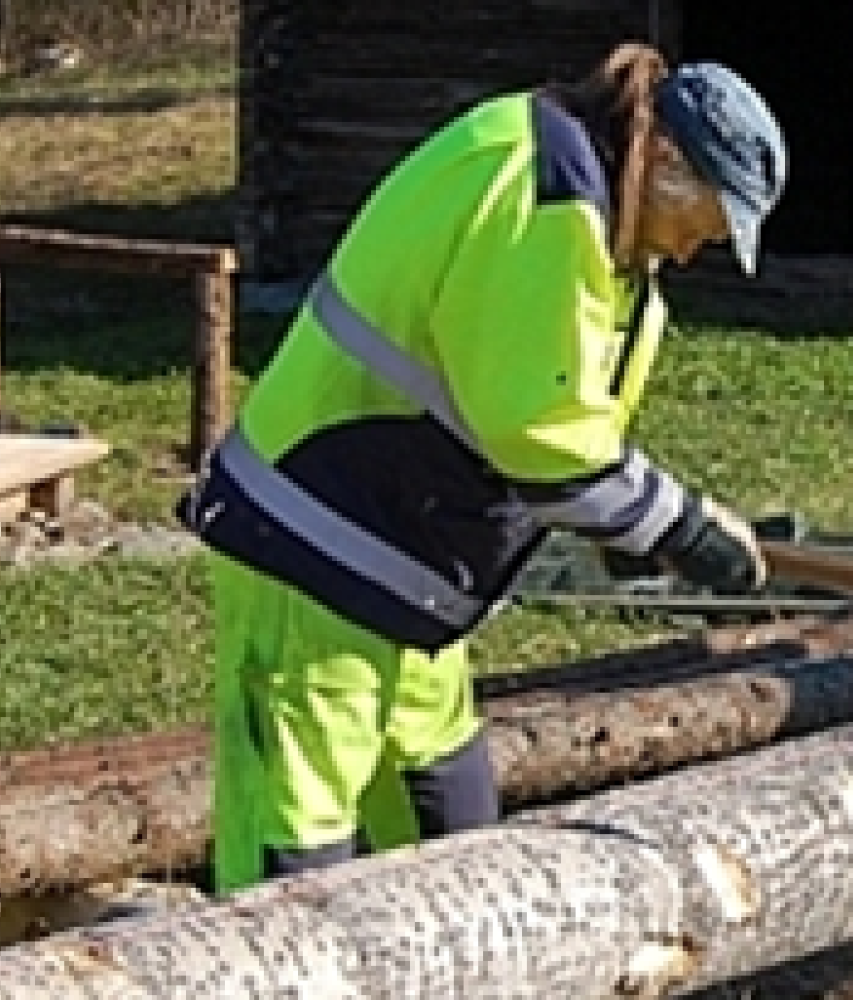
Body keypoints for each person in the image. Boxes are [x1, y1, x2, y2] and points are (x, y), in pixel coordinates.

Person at [176, 41, 789, 894]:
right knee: (300, 838)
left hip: (406, 562)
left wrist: (627, 527)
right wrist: (678, 526)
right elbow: (536, 427)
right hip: (317, 542)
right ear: (668, 165)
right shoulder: (547, 196)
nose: (694, 251)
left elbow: (559, 404)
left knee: (448, 811)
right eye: (707, 224)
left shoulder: (599, 219)